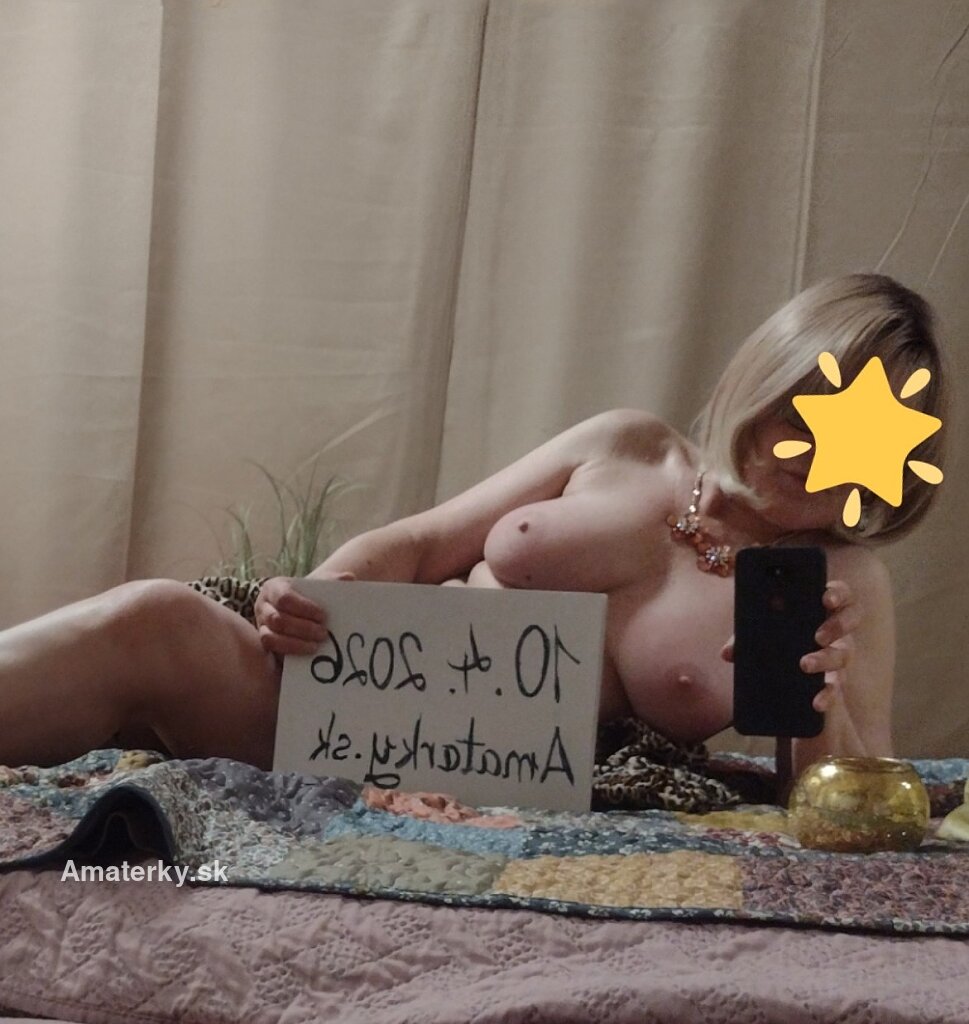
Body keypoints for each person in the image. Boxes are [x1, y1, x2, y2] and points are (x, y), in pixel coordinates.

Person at [0, 274, 948, 786]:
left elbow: (860, 795)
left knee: (152, 631)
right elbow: (419, 546)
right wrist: (313, 595)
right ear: (766, 379)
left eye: (853, 445)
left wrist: (817, 703)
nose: (804, 455)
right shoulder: (625, 445)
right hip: (351, 702)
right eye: (803, 411)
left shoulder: (839, 579)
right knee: (154, 617)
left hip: (499, 777)